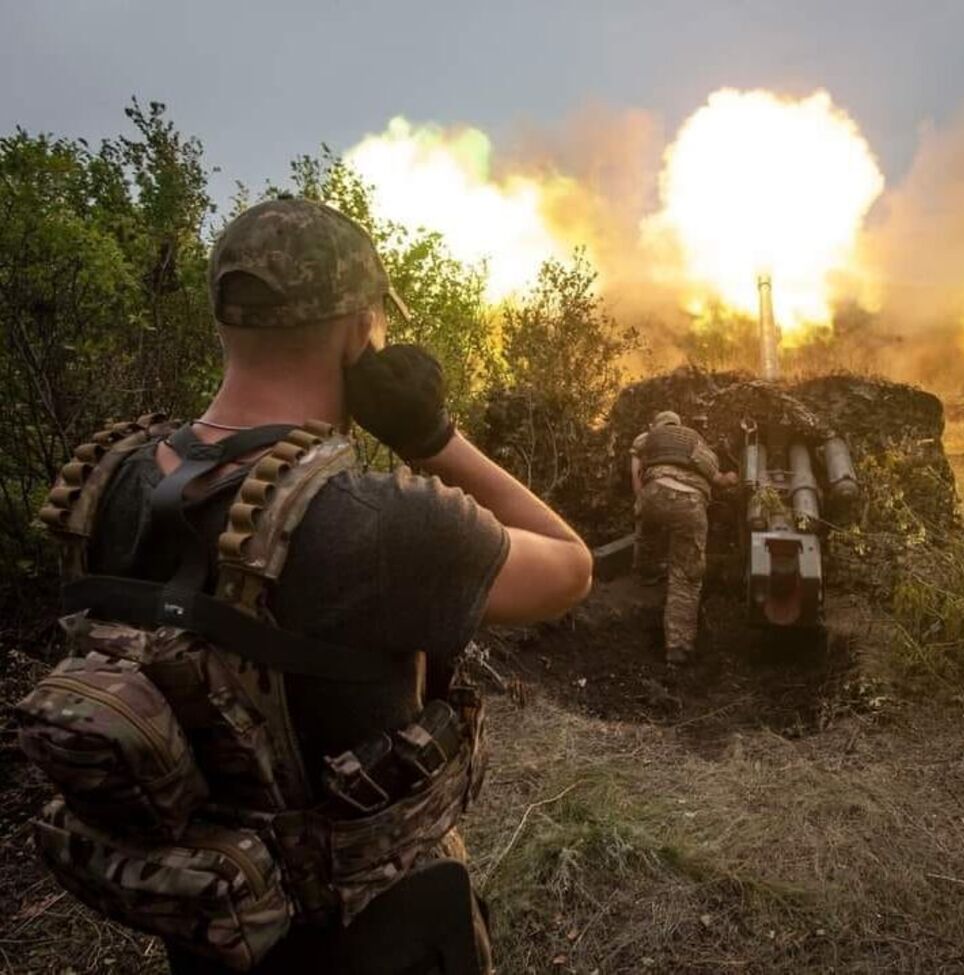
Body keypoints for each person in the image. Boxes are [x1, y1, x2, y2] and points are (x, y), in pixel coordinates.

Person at [32, 198, 593, 974]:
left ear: (228, 323)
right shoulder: (380, 521)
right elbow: (570, 565)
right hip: (385, 931)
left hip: (216, 926)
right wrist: (433, 438)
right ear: (363, 330)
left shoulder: (110, 484)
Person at [630, 410, 736, 664]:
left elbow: (635, 468)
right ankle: (677, 647)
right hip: (689, 502)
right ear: (680, 425)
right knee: (686, 574)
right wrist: (731, 478)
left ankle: (646, 572)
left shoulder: (648, 437)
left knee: (648, 530)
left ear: (655, 424)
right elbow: (717, 478)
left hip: (653, 493)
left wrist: (640, 498)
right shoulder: (695, 441)